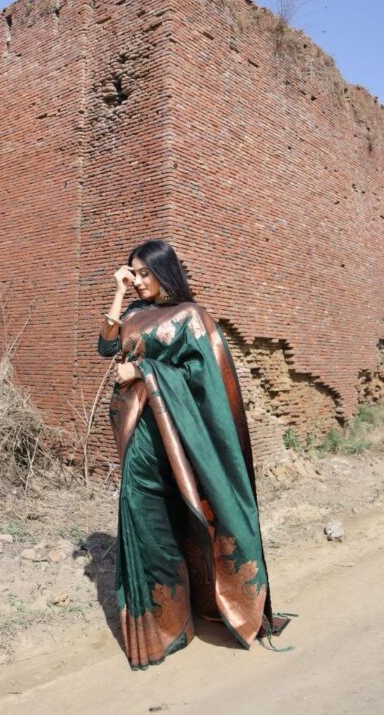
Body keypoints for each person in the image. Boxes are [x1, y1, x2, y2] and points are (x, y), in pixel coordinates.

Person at [97, 239, 291, 670]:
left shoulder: (190, 317)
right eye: (135, 273)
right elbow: (106, 347)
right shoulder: (131, 313)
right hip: (141, 437)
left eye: (146, 273)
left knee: (196, 513)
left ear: (165, 271)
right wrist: (117, 289)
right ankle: (164, 628)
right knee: (142, 518)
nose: (140, 281)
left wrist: (144, 370)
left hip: (181, 438)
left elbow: (203, 377)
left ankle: (225, 604)